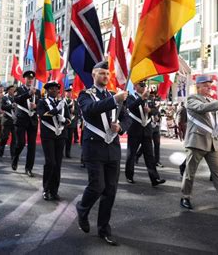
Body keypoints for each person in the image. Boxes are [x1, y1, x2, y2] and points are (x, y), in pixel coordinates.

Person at [76, 61, 130, 246]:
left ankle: (104, 229)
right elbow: (90, 110)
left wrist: (121, 126)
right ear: (93, 75)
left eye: (107, 74)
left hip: (112, 148)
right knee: (97, 186)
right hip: (94, 147)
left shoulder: (115, 95)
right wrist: (115, 100)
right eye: (101, 73)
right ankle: (82, 209)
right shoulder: (85, 95)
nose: (105, 77)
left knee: (110, 191)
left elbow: (127, 117)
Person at [180, 75, 218, 212]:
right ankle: (185, 197)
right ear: (198, 87)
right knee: (190, 172)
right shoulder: (192, 99)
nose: (209, 87)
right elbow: (202, 108)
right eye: (206, 85)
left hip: (212, 141)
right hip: (196, 141)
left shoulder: (211, 100)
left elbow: (212, 117)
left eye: (210, 85)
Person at [125, 81, 166, 186]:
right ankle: (129, 176)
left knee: (150, 156)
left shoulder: (149, 98)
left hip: (147, 130)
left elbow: (155, 110)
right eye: (141, 85)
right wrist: (142, 98)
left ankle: (154, 179)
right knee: (131, 154)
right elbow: (131, 107)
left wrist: (150, 111)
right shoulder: (131, 97)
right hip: (135, 129)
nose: (144, 87)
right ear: (135, 87)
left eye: (144, 85)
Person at [37, 81, 71, 201]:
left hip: (60, 135)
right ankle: (46, 189)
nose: (54, 91)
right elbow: (42, 115)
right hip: (48, 135)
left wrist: (64, 119)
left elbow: (69, 119)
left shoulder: (63, 103)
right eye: (51, 89)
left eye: (56, 89)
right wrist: (56, 110)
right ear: (47, 91)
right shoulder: (42, 102)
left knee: (58, 164)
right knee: (50, 162)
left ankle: (54, 190)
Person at [12, 70, 40, 177]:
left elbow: (40, 104)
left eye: (31, 78)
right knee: (21, 143)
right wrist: (28, 94)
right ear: (25, 79)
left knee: (32, 146)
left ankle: (29, 168)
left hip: (32, 120)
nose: (30, 80)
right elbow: (16, 99)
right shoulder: (19, 89)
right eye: (28, 78)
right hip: (21, 119)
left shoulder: (37, 91)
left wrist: (36, 106)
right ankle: (15, 157)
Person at [0, 85, 17, 158]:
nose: (13, 91)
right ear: (8, 90)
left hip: (14, 120)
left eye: (13, 90)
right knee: (5, 137)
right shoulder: (5, 98)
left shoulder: (16, 98)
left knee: (15, 138)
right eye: (11, 90)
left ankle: (13, 154)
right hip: (7, 120)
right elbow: (2, 107)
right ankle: (1, 147)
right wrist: (11, 106)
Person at [64, 87, 79, 158]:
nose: (69, 93)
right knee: (63, 139)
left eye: (70, 92)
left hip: (72, 123)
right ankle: (60, 152)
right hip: (64, 123)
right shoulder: (62, 101)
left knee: (69, 139)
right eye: (67, 92)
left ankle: (68, 152)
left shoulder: (74, 102)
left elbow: (78, 111)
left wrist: (73, 111)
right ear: (65, 93)